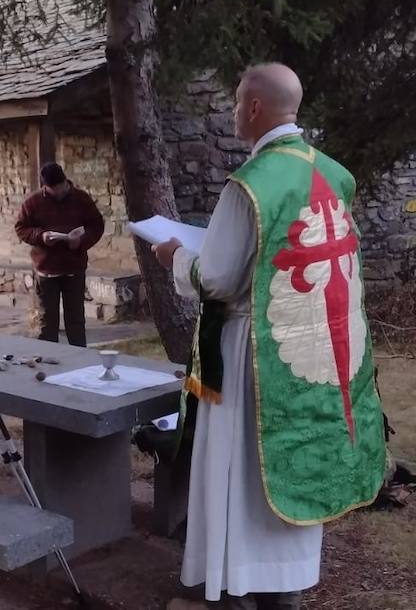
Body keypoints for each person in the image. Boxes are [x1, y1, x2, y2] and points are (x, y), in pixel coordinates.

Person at [152, 64, 386, 609]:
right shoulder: (333, 173)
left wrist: (175, 255)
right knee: (296, 466)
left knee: (244, 479)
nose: (234, 110)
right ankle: (287, 589)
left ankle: (236, 586)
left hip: (251, 356)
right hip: (316, 354)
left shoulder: (250, 186)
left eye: (237, 101)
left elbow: (216, 277)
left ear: (254, 108)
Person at [13, 162, 104, 347]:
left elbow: (97, 225)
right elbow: (21, 228)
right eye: (51, 189)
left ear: (65, 182)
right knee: (47, 322)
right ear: (45, 186)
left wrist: (82, 241)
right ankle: (49, 360)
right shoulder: (33, 202)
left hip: (74, 266)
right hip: (47, 269)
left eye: (59, 187)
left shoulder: (81, 199)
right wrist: (41, 236)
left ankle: (79, 358)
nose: (57, 192)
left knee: (76, 320)